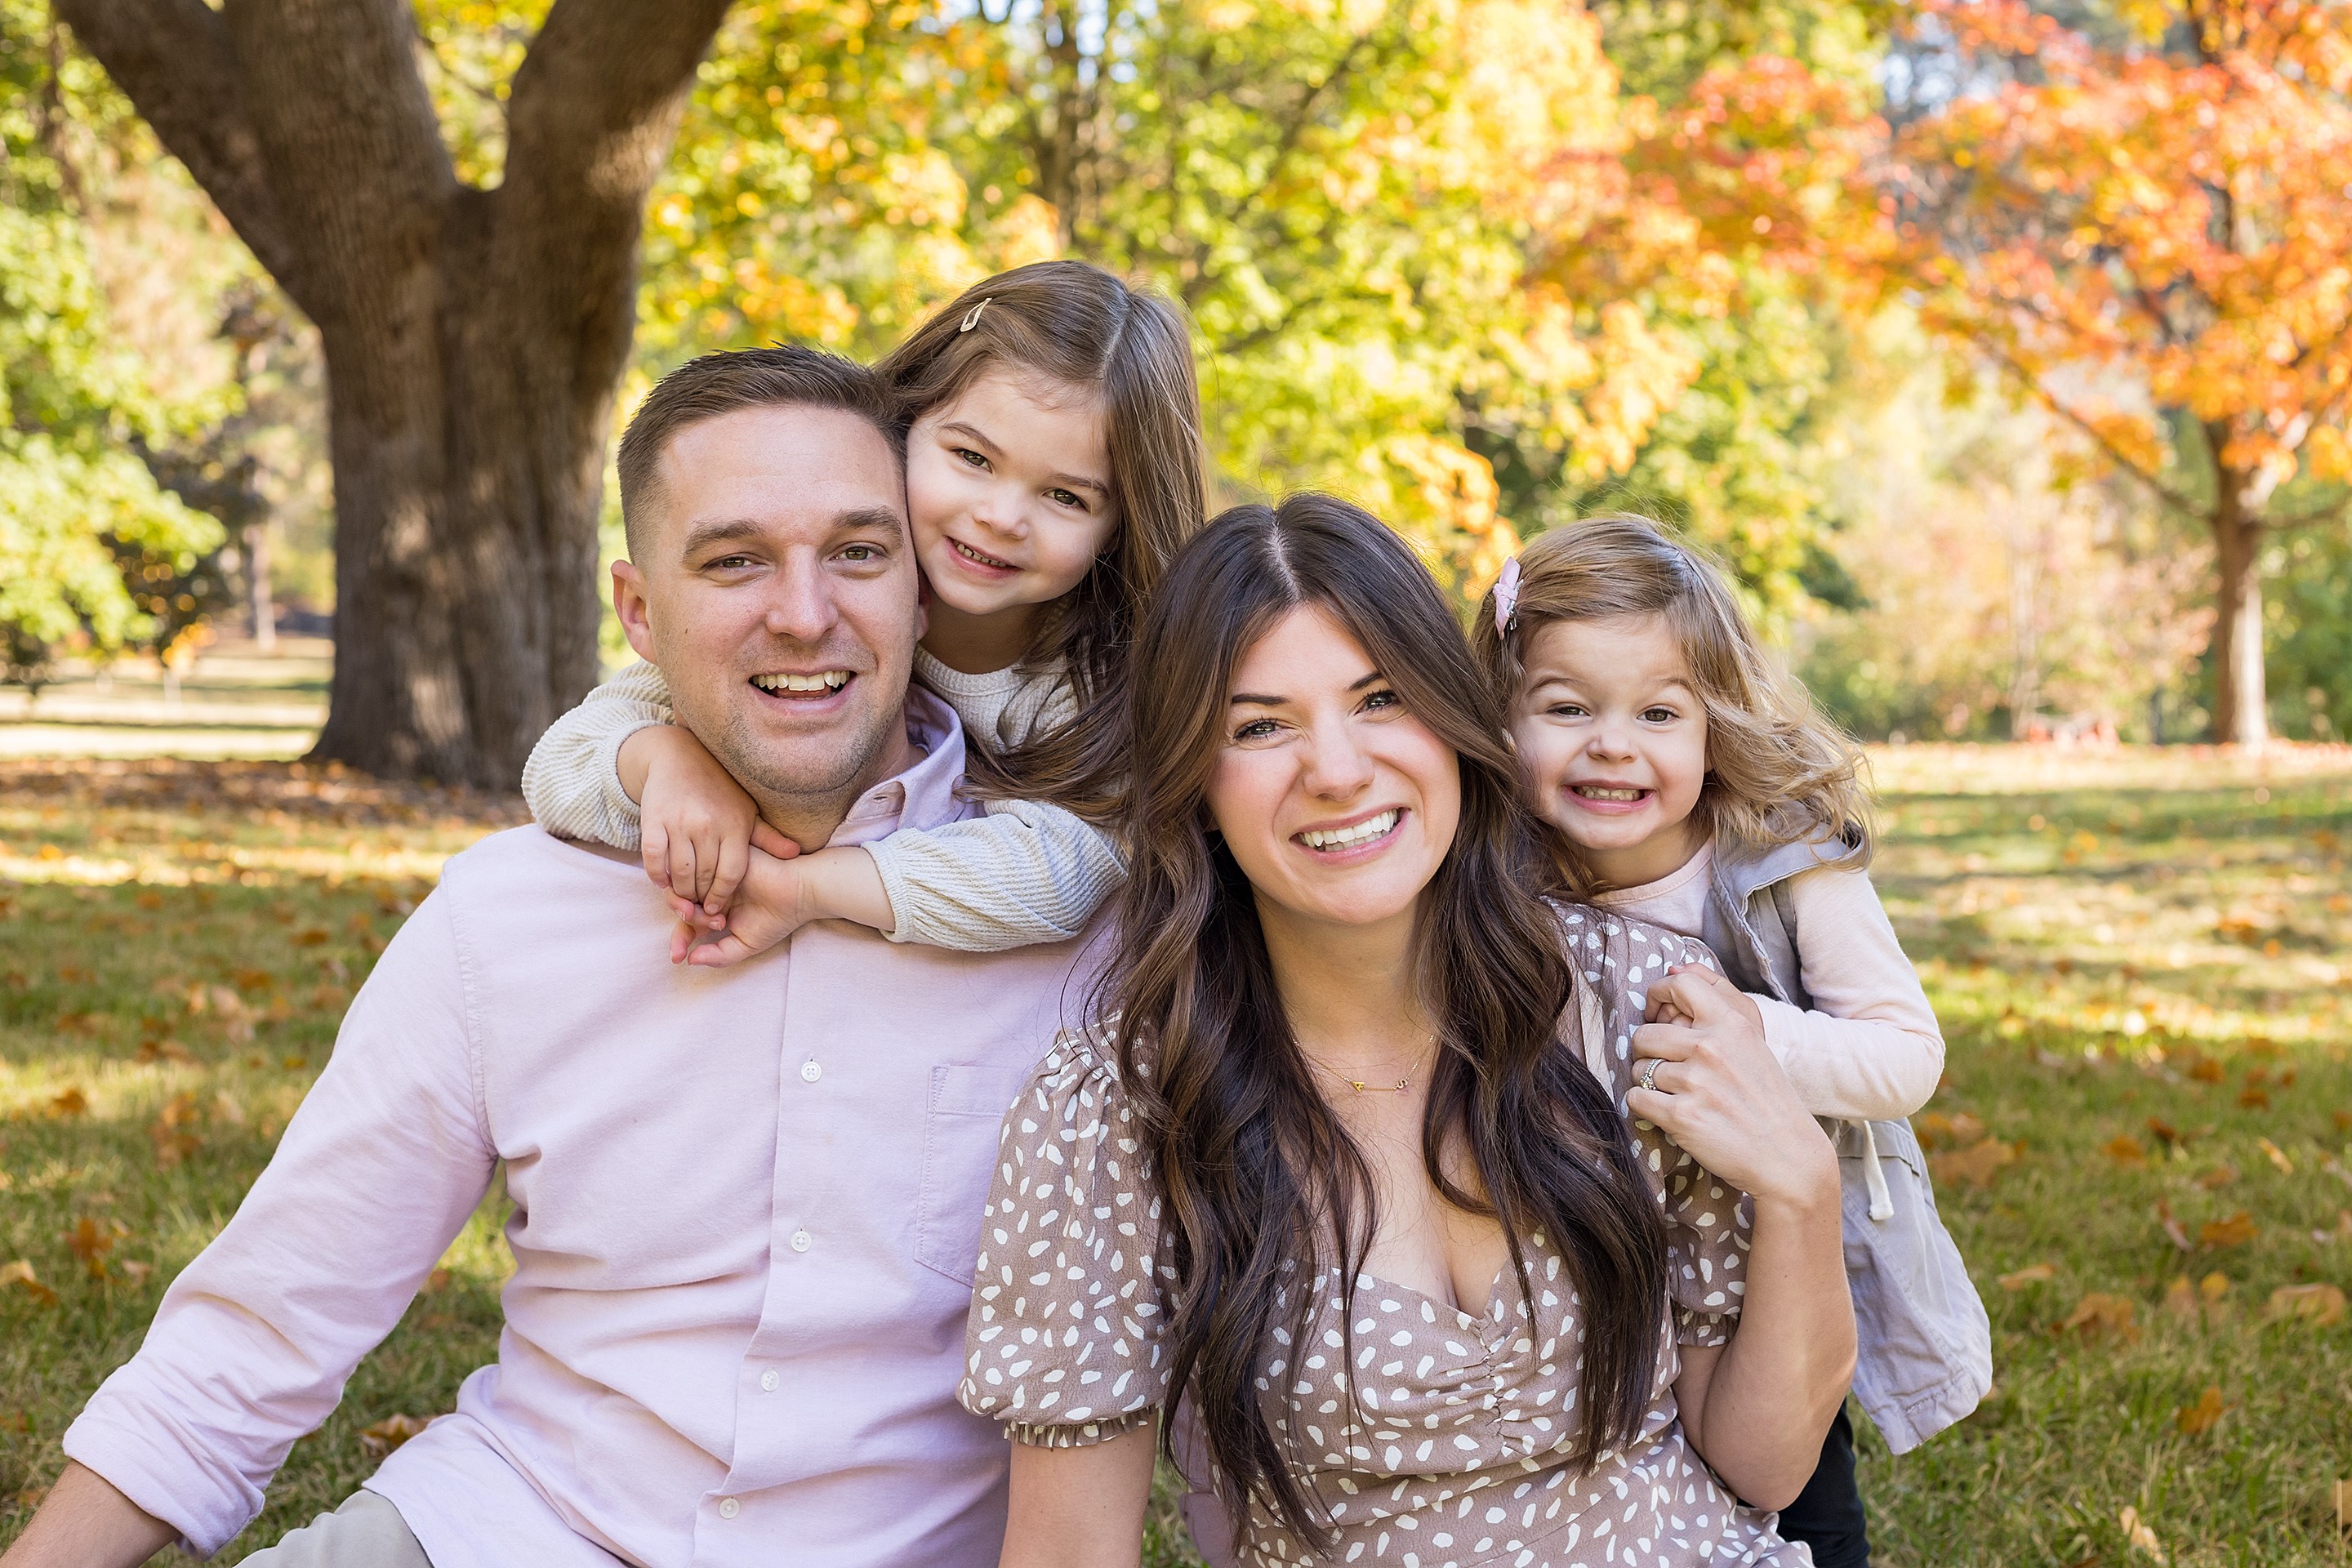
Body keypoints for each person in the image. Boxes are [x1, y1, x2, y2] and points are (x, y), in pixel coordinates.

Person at [1, 347, 1102, 1568]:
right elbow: (269, 1318)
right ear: (638, 611)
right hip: (508, 1525)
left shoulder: (1081, 929)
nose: (803, 612)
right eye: (733, 561)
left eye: (856, 553)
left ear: (921, 591)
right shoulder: (510, 915)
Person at [958, 494, 1857, 1567]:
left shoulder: (1644, 1001)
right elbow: (1070, 1548)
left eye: (1379, 700)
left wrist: (1802, 1189)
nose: (1337, 770)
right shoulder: (1120, 1106)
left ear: (1455, 720)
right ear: (1195, 785)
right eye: (1260, 726)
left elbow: (1765, 1467)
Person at [1472, 514, 1992, 1567]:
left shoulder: (1783, 861)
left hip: (1766, 1262)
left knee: (1797, 1494)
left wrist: (1756, 1035)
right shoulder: (1495, 876)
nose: (1612, 744)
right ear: (1501, 716)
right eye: (1567, 708)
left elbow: (1906, 1054)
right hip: (1596, 1257)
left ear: (1716, 726)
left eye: (1660, 713)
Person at [523, 259, 1202, 964]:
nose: (1001, 518)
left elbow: (1059, 874)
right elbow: (559, 762)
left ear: (1117, 528)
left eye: (1066, 497)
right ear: (906, 430)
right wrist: (660, 761)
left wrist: (810, 888)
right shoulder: (824, 605)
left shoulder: (1095, 686)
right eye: (973, 457)